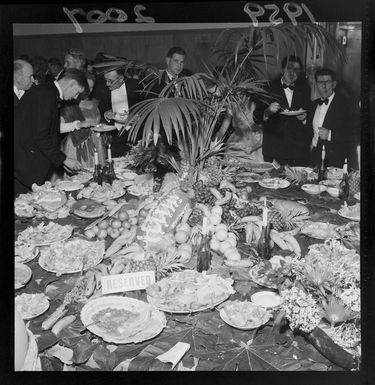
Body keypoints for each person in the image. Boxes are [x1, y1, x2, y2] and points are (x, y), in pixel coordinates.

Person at [14, 69, 89, 196]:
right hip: (25, 164)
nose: (75, 98)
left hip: (28, 160)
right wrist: (64, 159)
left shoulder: (46, 91)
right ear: (72, 83)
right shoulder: (45, 95)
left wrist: (60, 161)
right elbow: (41, 136)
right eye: (77, 92)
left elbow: (48, 129)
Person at [254, 55, 312, 166]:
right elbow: (256, 117)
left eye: (296, 69)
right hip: (274, 150)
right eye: (289, 68)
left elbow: (310, 115)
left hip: (298, 151)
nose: (292, 72)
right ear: (282, 70)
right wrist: (267, 111)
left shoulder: (305, 89)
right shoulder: (268, 87)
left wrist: (304, 119)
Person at [307, 68, 359, 169]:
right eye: (320, 82)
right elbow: (309, 131)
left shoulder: (347, 104)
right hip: (315, 159)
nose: (324, 86)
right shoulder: (313, 105)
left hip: (336, 162)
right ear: (316, 84)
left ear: (334, 84)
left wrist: (330, 134)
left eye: (327, 81)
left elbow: (355, 133)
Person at [92, 68, 143, 157]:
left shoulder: (136, 85)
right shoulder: (102, 89)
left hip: (136, 134)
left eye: (110, 81)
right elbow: (100, 110)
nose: (107, 84)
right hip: (115, 136)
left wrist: (139, 117)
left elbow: (148, 105)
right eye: (106, 80)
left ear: (121, 79)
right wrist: (106, 115)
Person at [60, 72, 106, 168]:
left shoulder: (96, 102)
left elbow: (99, 122)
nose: (89, 90)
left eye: (92, 87)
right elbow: (58, 127)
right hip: (76, 145)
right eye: (87, 86)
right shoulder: (69, 103)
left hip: (96, 141)